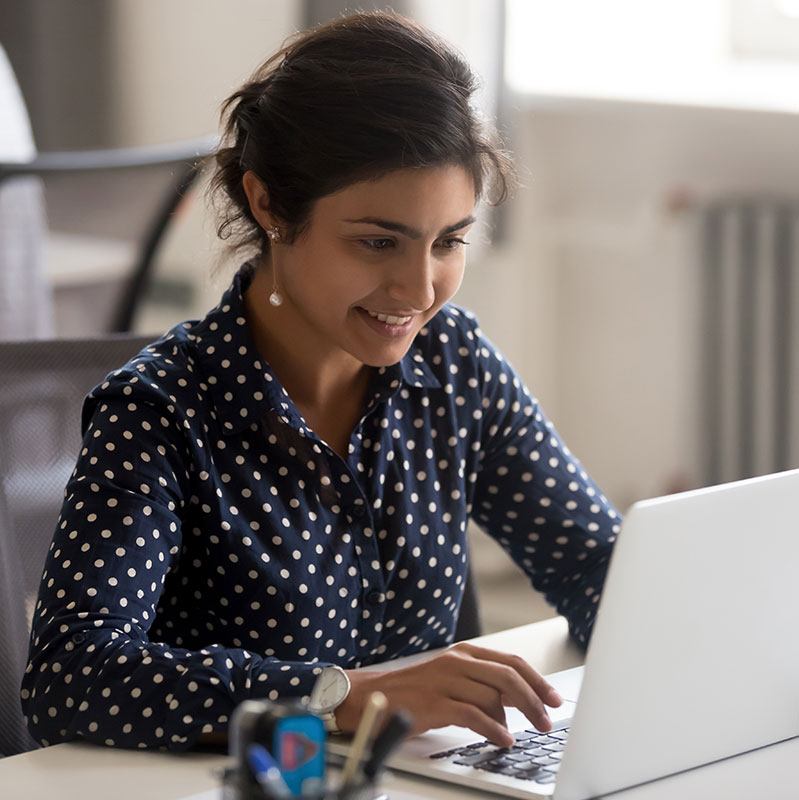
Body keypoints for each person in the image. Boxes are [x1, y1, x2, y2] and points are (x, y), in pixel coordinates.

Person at [22, 11, 620, 753]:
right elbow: (70, 679)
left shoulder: (453, 363)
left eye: (448, 242)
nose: (418, 287)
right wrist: (336, 696)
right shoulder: (159, 412)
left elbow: (596, 568)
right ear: (270, 204)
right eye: (377, 242)